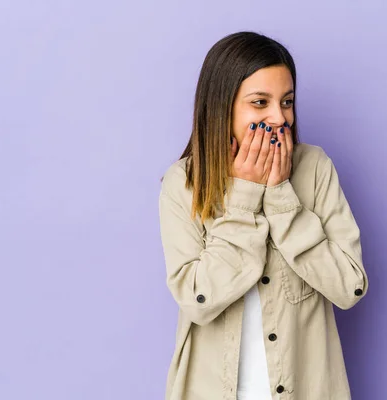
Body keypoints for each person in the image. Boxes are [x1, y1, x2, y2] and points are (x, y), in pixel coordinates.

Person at [158, 31, 369, 400]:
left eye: (287, 102)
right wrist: (244, 199)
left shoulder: (314, 168)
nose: (279, 118)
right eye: (260, 103)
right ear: (222, 106)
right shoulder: (184, 183)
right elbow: (197, 300)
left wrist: (281, 198)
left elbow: (348, 286)